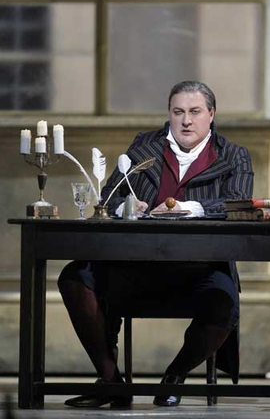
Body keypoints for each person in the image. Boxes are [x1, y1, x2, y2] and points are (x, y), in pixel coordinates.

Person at [58, 80, 254, 408]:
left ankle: (174, 377)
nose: (186, 121)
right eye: (178, 112)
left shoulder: (233, 155)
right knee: (75, 277)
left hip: (199, 270)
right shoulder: (144, 145)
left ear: (211, 114)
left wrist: (185, 207)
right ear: (170, 114)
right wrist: (126, 207)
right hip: (135, 267)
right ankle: (110, 380)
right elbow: (110, 195)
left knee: (224, 299)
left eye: (194, 112)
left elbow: (237, 203)